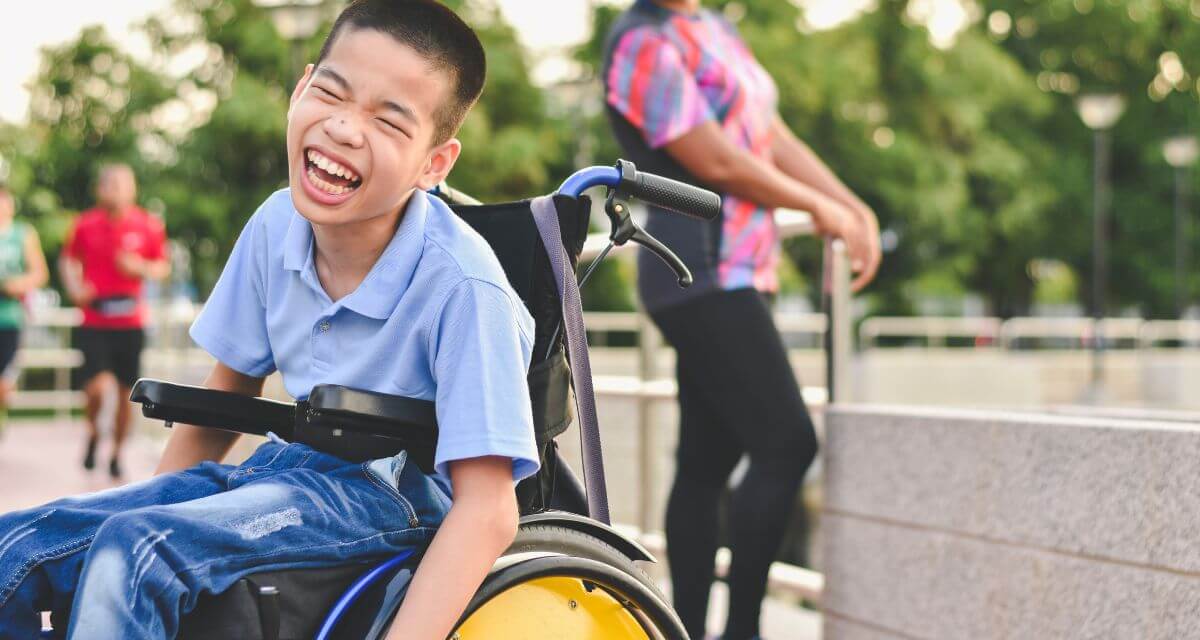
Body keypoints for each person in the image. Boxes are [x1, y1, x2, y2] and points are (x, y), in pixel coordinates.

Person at [0, 2, 537, 638]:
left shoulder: (463, 285)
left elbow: (490, 510)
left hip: (393, 492)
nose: (343, 128)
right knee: (23, 544)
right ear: (301, 87)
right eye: (331, 93)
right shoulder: (276, 223)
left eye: (389, 123)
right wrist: (153, 507)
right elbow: (223, 399)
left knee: (138, 553)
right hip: (284, 469)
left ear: (434, 164)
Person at [602, 2, 882, 639]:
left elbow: (771, 134)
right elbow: (718, 161)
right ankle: (740, 631)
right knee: (787, 442)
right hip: (696, 267)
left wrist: (848, 204)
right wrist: (821, 207)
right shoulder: (641, 43)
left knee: (707, 457)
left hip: (741, 267)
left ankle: (686, 630)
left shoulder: (713, 30)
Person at [59, 163, 170, 478]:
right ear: (101, 189)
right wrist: (75, 288)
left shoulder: (148, 225)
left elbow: (162, 267)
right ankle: (94, 432)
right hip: (94, 319)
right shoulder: (85, 224)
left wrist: (140, 267)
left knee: (124, 394)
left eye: (124, 184)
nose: (118, 190)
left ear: (133, 188)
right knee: (97, 389)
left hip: (130, 322)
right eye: (111, 184)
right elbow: (68, 259)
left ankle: (117, 453)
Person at [0, 185, 49, 436]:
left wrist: (16, 285)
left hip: (9, 320)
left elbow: (40, 273)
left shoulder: (22, 234)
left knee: (3, 383)